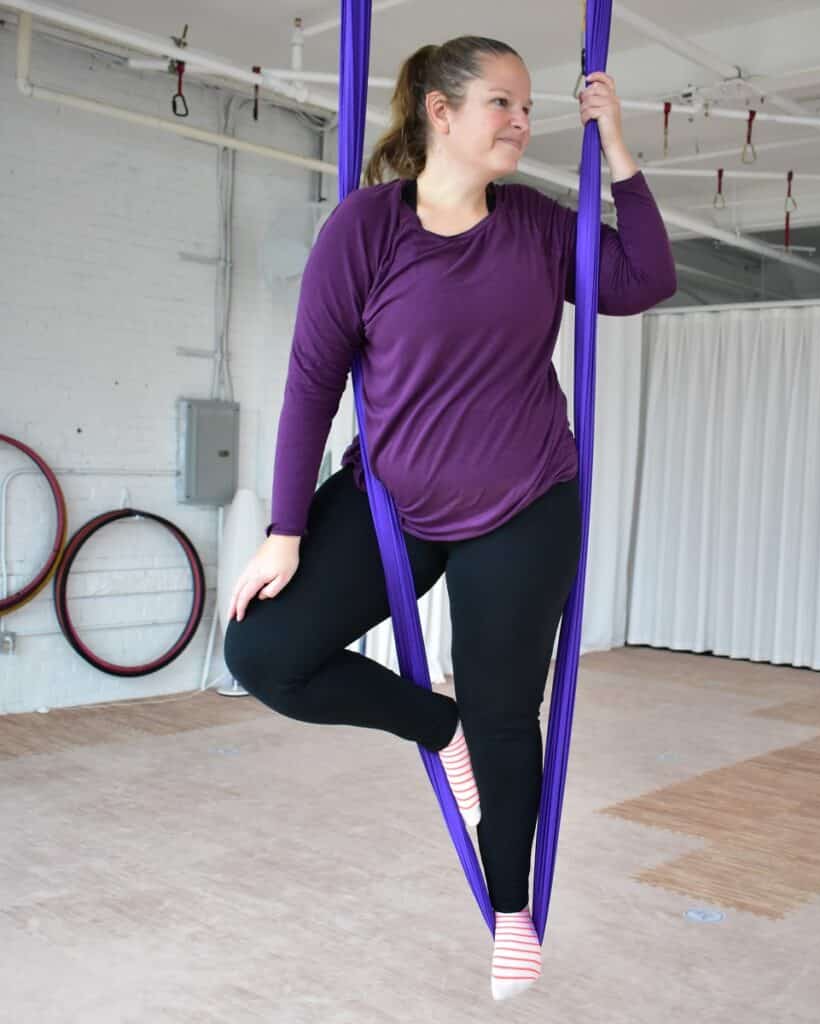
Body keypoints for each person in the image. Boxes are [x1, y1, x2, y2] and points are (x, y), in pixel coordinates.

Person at [223, 35, 675, 1001]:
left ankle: (511, 911)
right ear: (439, 111)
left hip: (522, 506)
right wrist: (287, 528)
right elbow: (312, 377)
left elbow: (643, 281)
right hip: (395, 503)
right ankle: (436, 726)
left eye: (526, 106)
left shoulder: (538, 227)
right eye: (501, 104)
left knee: (509, 714)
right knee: (264, 654)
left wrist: (621, 150)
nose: (521, 121)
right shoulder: (367, 228)